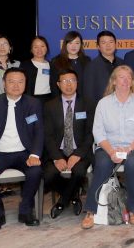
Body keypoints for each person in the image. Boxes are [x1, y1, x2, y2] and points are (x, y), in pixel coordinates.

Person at [82, 65, 134, 229]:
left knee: (132, 162)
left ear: (132, 81)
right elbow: (98, 133)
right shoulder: (103, 103)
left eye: (129, 77)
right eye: (121, 77)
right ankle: (90, 211)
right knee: (102, 164)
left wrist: (128, 149)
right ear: (114, 81)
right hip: (109, 147)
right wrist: (111, 151)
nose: (125, 80)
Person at [0, 68, 43, 231]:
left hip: (24, 152)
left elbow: (38, 132)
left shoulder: (33, 103)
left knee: (35, 171)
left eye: (20, 81)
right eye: (11, 81)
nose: (16, 85)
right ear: (4, 84)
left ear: (25, 84)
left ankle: (26, 210)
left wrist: (35, 154)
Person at [43, 69, 94, 219]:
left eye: (72, 80)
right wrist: (57, 157)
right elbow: (48, 135)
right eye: (64, 81)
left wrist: (77, 154)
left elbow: (91, 133)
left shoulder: (88, 103)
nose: (69, 84)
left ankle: (61, 202)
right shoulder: (50, 106)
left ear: (77, 83)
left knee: (78, 172)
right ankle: (73, 197)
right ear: (58, 85)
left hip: (80, 151)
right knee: (48, 175)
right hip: (57, 151)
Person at [84, 31, 123, 102]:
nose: (108, 45)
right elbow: (89, 95)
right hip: (102, 109)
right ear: (98, 46)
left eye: (111, 42)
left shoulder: (123, 63)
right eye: (103, 43)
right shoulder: (91, 66)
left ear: (115, 44)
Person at [50, 31, 90, 96]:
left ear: (81, 45)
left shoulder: (87, 61)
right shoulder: (56, 61)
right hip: (63, 100)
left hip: (83, 101)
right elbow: (53, 85)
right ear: (65, 44)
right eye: (70, 43)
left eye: (77, 43)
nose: (74, 46)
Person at [20, 36, 54, 102]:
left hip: (49, 100)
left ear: (46, 48)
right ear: (31, 49)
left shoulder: (52, 65)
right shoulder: (25, 65)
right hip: (30, 100)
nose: (39, 49)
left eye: (42, 46)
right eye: (36, 47)